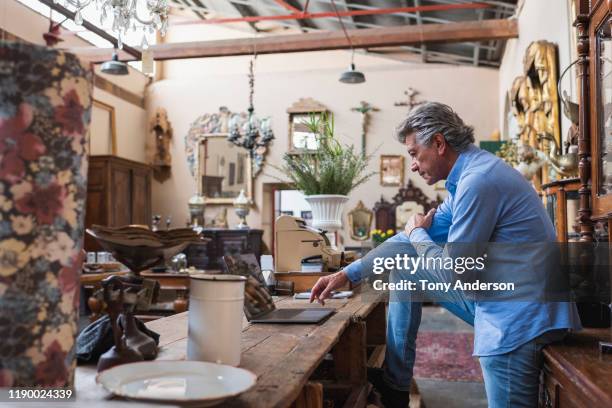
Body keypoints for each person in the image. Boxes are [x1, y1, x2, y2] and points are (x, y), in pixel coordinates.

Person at [309, 102, 581, 408]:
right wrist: (347, 274)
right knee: (405, 267)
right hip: (507, 300)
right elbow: (406, 243)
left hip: (522, 318)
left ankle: (396, 385)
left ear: (439, 143)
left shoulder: (478, 182)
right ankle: (396, 386)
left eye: (413, 153)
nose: (412, 164)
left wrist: (418, 234)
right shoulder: (470, 176)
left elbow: (456, 272)